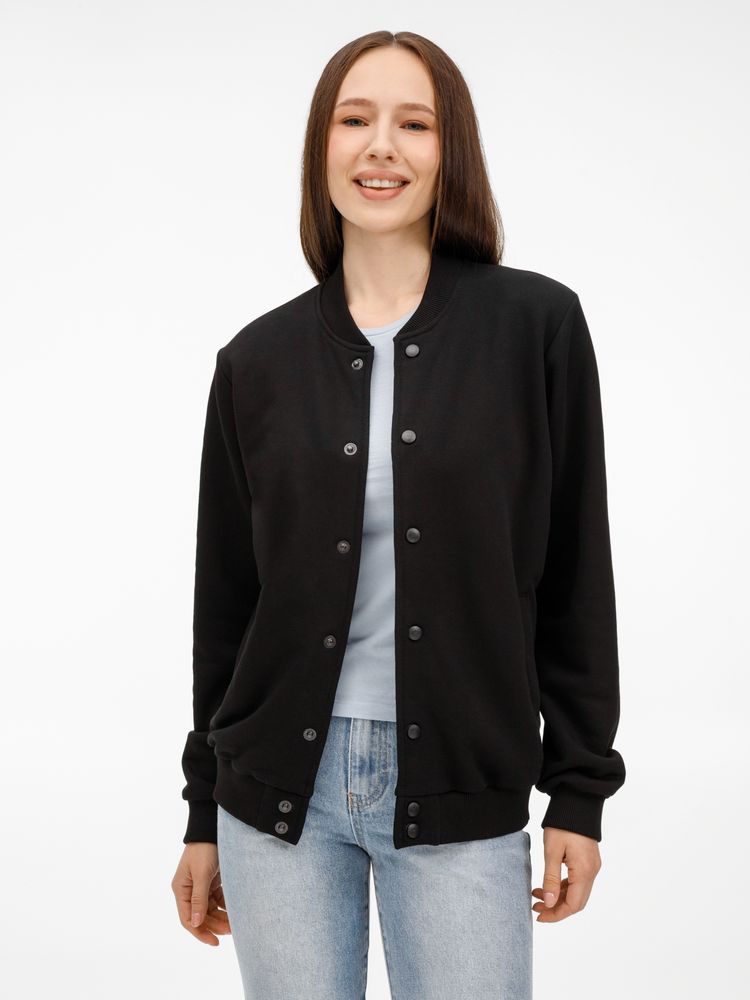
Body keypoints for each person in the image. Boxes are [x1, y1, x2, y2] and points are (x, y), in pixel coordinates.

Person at [171, 29, 625, 1000]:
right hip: (275, 800)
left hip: (461, 782)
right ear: (321, 146)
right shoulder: (254, 362)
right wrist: (202, 811)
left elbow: (576, 574)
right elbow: (228, 609)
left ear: (450, 150)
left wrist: (578, 791)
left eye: (414, 124)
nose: (381, 146)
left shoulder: (534, 328)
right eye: (355, 120)